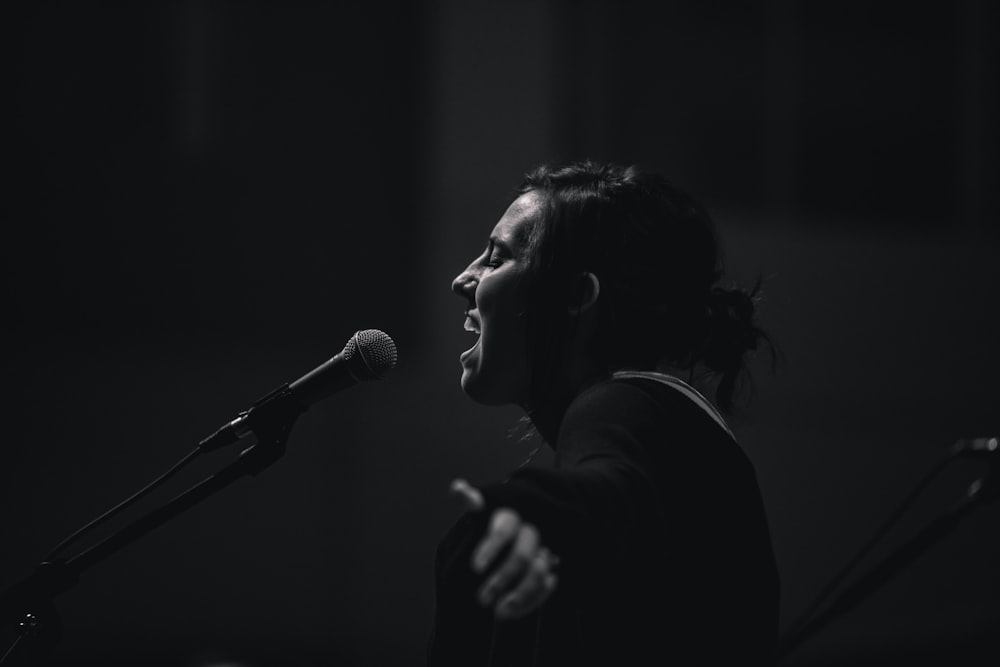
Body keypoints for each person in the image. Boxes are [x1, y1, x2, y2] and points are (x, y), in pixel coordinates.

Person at [428, 160, 780, 666]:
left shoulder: (626, 402)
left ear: (575, 296)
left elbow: (613, 488)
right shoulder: (659, 421)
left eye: (496, 258)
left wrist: (534, 511)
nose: (463, 279)